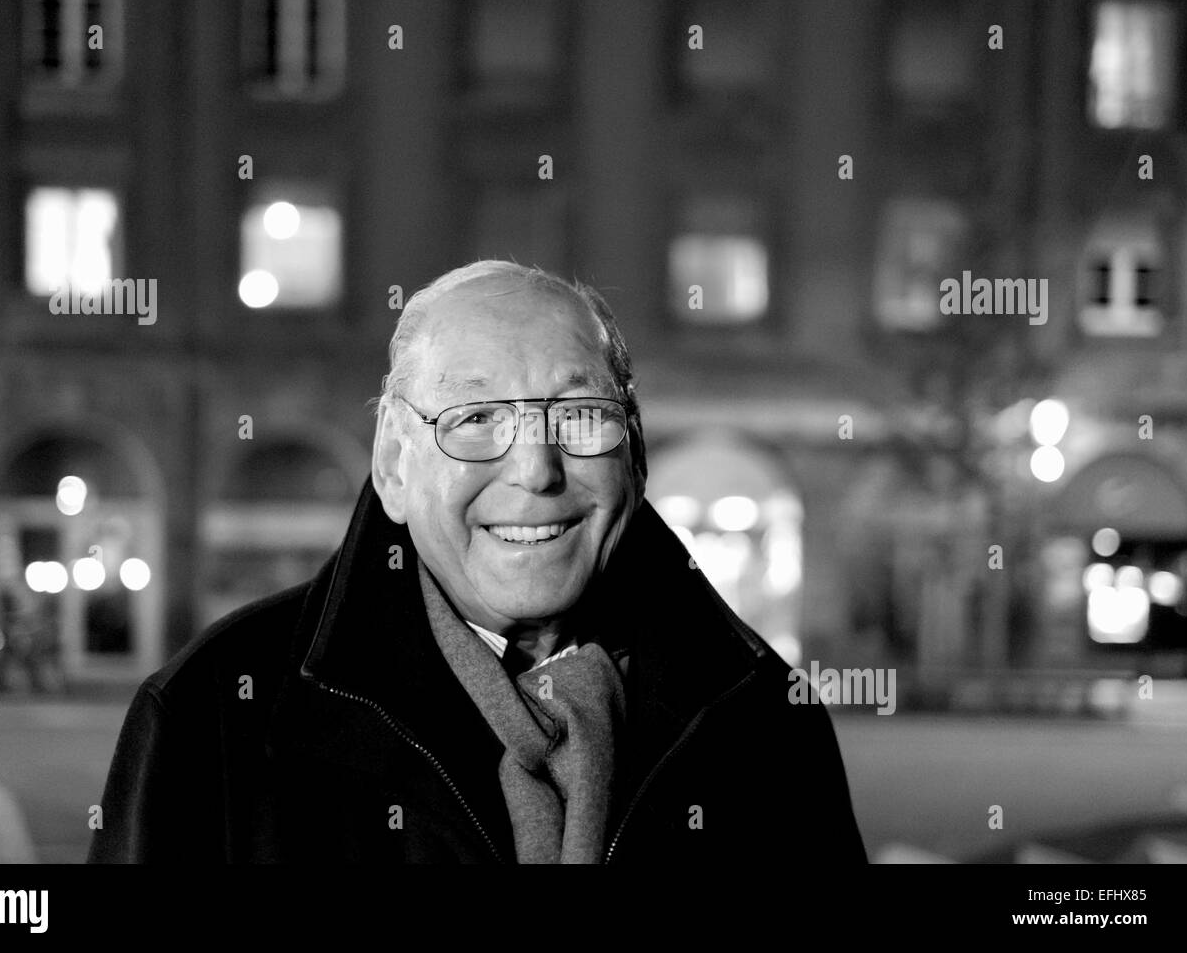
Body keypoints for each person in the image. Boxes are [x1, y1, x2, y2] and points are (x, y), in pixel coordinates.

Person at [89, 260, 867, 864]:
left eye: (581, 414)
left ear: (634, 452)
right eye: (476, 417)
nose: (535, 469)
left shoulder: (763, 719)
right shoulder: (214, 716)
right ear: (393, 463)